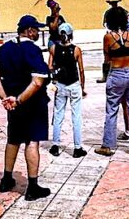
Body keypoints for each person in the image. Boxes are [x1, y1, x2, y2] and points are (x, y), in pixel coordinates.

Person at [0, 15, 52, 201]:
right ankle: (32, 187)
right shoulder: (32, 50)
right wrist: (17, 100)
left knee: (13, 139)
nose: (38, 33)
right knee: (32, 141)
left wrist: (5, 99)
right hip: (31, 104)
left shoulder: (5, 48)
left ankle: (6, 179)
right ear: (30, 30)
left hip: (12, 105)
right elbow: (38, 81)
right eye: (37, 29)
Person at [95, 6, 129, 157]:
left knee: (111, 110)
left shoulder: (108, 37)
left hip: (116, 73)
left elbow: (107, 58)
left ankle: (107, 146)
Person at [47, 22, 87, 158]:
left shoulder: (53, 48)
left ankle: (56, 145)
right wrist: (83, 87)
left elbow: (50, 66)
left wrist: (54, 79)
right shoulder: (76, 50)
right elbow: (81, 70)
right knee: (76, 116)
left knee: (58, 115)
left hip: (61, 85)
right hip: (74, 84)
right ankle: (77, 147)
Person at [97, 0, 123, 83]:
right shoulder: (121, 11)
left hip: (113, 34)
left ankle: (106, 76)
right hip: (120, 34)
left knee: (107, 55)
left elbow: (104, 23)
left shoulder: (108, 13)